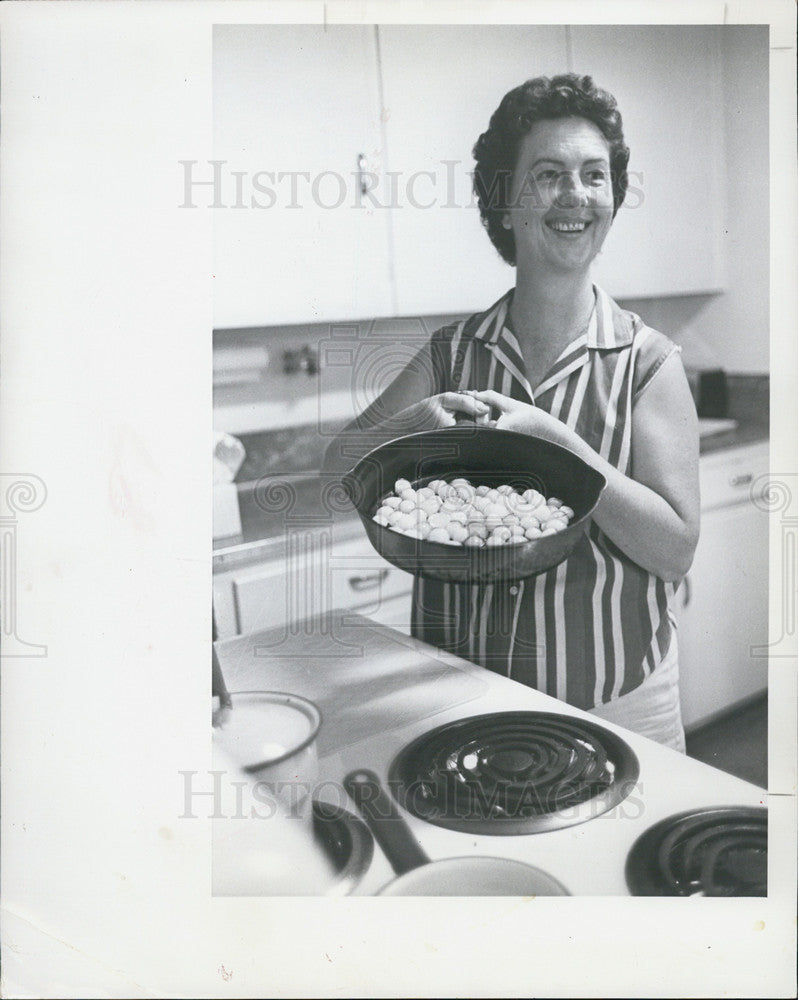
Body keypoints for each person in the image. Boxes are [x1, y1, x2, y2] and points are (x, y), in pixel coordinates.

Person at [323, 74, 700, 752]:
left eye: (595, 175)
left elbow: (676, 550)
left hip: (617, 704)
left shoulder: (648, 362)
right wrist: (414, 425)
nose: (576, 195)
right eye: (548, 174)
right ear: (503, 202)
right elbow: (335, 471)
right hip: (464, 697)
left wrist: (558, 442)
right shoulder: (451, 354)